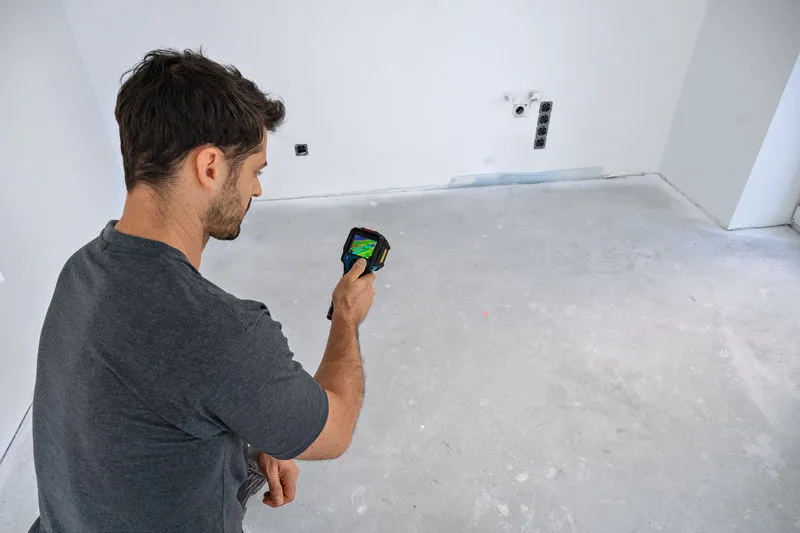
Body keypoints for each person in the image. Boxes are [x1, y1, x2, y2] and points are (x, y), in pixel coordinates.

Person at [29, 49, 375, 532]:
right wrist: (346, 316)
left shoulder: (81, 269)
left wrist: (261, 428)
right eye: (255, 169)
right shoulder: (221, 334)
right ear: (210, 166)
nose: (256, 190)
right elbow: (334, 432)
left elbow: (148, 404)